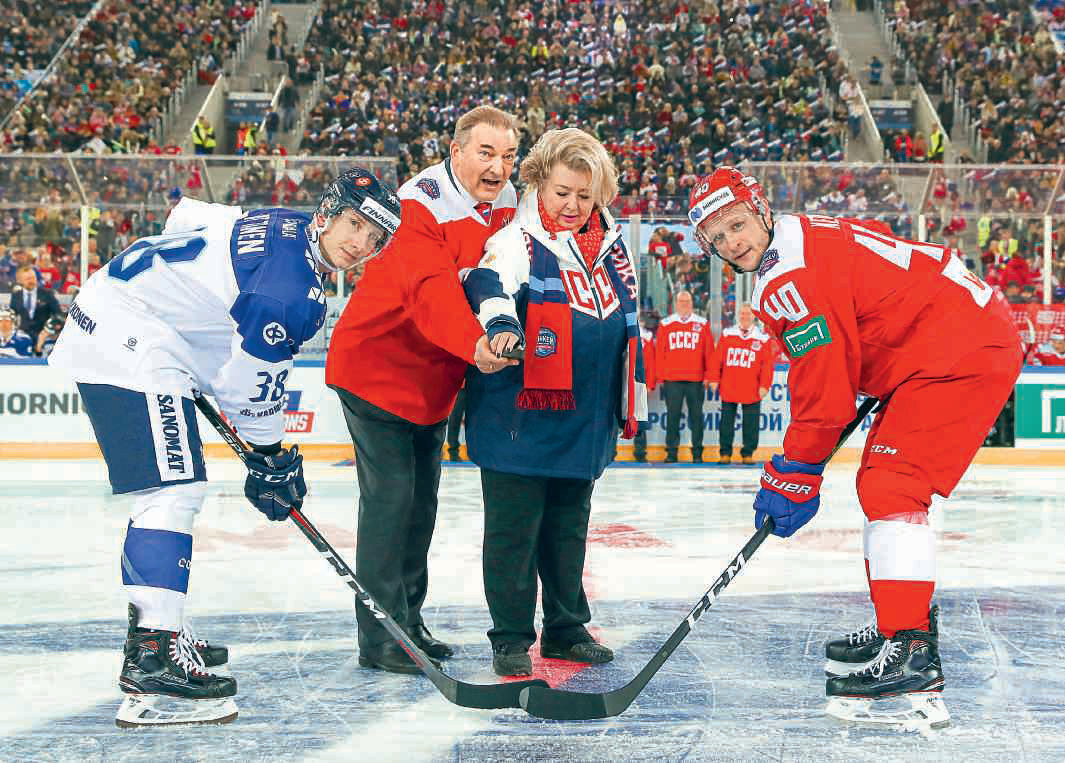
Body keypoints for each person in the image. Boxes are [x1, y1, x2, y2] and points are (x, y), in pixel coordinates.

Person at [47, 167, 401, 727]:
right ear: (329, 213)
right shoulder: (290, 295)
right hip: (129, 337)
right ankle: (152, 654)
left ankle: (162, 626)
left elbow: (184, 217)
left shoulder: (285, 224)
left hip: (133, 317)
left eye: (375, 237)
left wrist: (184, 310)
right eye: (356, 224)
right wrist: (270, 458)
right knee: (173, 490)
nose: (361, 244)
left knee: (176, 487)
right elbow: (247, 394)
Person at [686, 167, 1021, 729]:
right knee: (882, 485)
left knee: (893, 487)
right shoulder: (800, 233)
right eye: (717, 238)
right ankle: (899, 625)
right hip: (945, 336)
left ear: (760, 209)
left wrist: (796, 470)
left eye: (737, 225)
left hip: (957, 345)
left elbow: (823, 387)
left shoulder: (788, 275)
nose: (731, 243)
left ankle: (911, 648)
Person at [325, 106, 520, 675]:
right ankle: (381, 637)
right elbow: (431, 291)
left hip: (432, 382)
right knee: (391, 503)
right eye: (486, 153)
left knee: (420, 507)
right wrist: (477, 345)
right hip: (377, 371)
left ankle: (408, 622)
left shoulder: (508, 202)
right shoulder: (419, 203)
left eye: (508, 156)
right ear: (456, 152)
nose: (498, 167)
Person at [462, 127, 647, 676]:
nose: (573, 205)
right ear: (539, 183)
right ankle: (510, 637)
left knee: (568, 532)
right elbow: (487, 281)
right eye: (562, 191)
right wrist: (501, 324)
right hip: (520, 421)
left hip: (584, 422)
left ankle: (566, 628)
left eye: (585, 195)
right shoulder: (517, 242)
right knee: (513, 534)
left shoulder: (611, 247)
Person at [708, 303, 774, 464]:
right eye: (742, 313)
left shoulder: (762, 338)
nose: (745, 317)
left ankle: (748, 453)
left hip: (752, 388)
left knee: (751, 423)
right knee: (726, 423)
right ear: (738, 315)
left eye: (748, 314)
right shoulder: (728, 334)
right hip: (729, 386)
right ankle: (725, 453)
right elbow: (717, 360)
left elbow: (767, 365)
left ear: (753, 316)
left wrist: (765, 385)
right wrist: (714, 378)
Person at [655, 290, 714, 462]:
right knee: (672, 417)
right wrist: (661, 376)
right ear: (676, 304)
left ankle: (697, 453)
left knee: (696, 417)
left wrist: (709, 375)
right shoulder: (666, 324)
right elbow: (660, 352)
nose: (684, 305)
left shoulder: (702, 324)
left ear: (692, 304)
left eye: (687, 302)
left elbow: (709, 353)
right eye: (681, 302)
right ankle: (671, 453)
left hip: (695, 379)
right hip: (672, 379)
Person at [10, 264, 60, 344]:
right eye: (28, 279)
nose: (31, 281)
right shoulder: (16, 295)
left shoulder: (48, 294)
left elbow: (58, 314)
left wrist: (49, 330)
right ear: (19, 281)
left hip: (44, 336)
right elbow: (12, 315)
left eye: (33, 278)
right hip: (23, 337)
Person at [633, 314, 657, 462]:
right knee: (615, 418)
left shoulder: (647, 337)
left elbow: (651, 362)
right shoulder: (618, 333)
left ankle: (640, 451)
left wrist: (650, 383)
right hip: (622, 380)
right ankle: (611, 451)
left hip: (639, 381)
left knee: (639, 417)